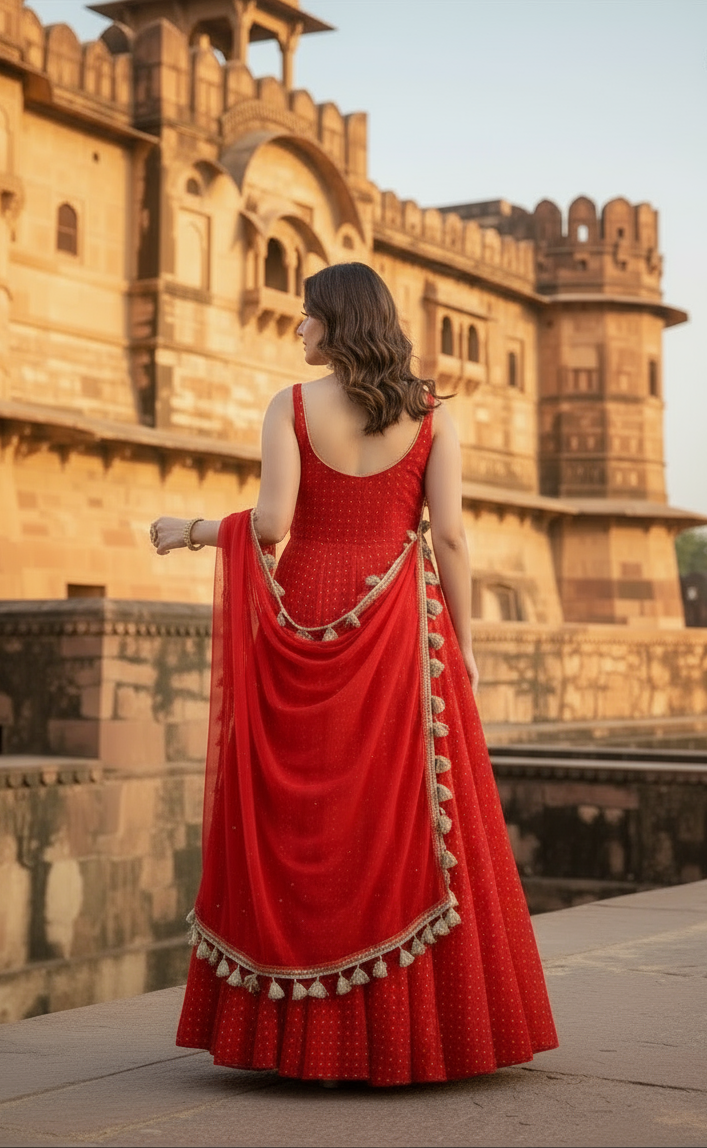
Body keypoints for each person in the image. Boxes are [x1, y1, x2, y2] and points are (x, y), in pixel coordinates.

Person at [149, 262, 557, 1087]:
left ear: (336, 324)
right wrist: (467, 641)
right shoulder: (431, 414)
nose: (295, 328)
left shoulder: (292, 408)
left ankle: (298, 1039)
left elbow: (270, 524)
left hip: (305, 612)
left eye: (306, 316)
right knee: (406, 818)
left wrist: (186, 529)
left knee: (308, 818)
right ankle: (419, 1036)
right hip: (406, 624)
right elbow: (451, 537)